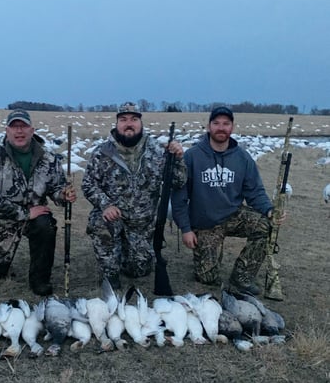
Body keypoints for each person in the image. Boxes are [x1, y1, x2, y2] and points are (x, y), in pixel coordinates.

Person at [171, 106, 278, 296]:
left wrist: (269, 210)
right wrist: (186, 229)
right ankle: (209, 259)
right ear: (209, 126)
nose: (221, 128)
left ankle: (241, 277)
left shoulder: (242, 158)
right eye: (217, 123)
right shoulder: (192, 156)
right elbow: (179, 197)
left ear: (232, 127)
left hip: (233, 215)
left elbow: (254, 191)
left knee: (265, 225)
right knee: (207, 278)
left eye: (226, 124)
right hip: (205, 222)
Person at [81, 101, 186, 289]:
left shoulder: (157, 151)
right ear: (116, 123)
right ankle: (110, 274)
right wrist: (105, 204)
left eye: (134, 119)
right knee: (100, 221)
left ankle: (129, 254)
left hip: (143, 226)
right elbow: (88, 184)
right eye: (123, 119)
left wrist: (178, 159)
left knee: (139, 270)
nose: (129, 123)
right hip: (115, 218)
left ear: (141, 122)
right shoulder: (102, 152)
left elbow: (178, 182)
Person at [0, 109, 76, 296]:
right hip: (1, 219)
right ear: (7, 131)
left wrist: (63, 195)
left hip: (35, 215)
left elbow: (56, 188)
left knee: (46, 226)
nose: (19, 131)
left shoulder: (49, 158)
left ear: (32, 130)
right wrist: (26, 214)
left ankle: (40, 279)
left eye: (23, 126)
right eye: (14, 127)